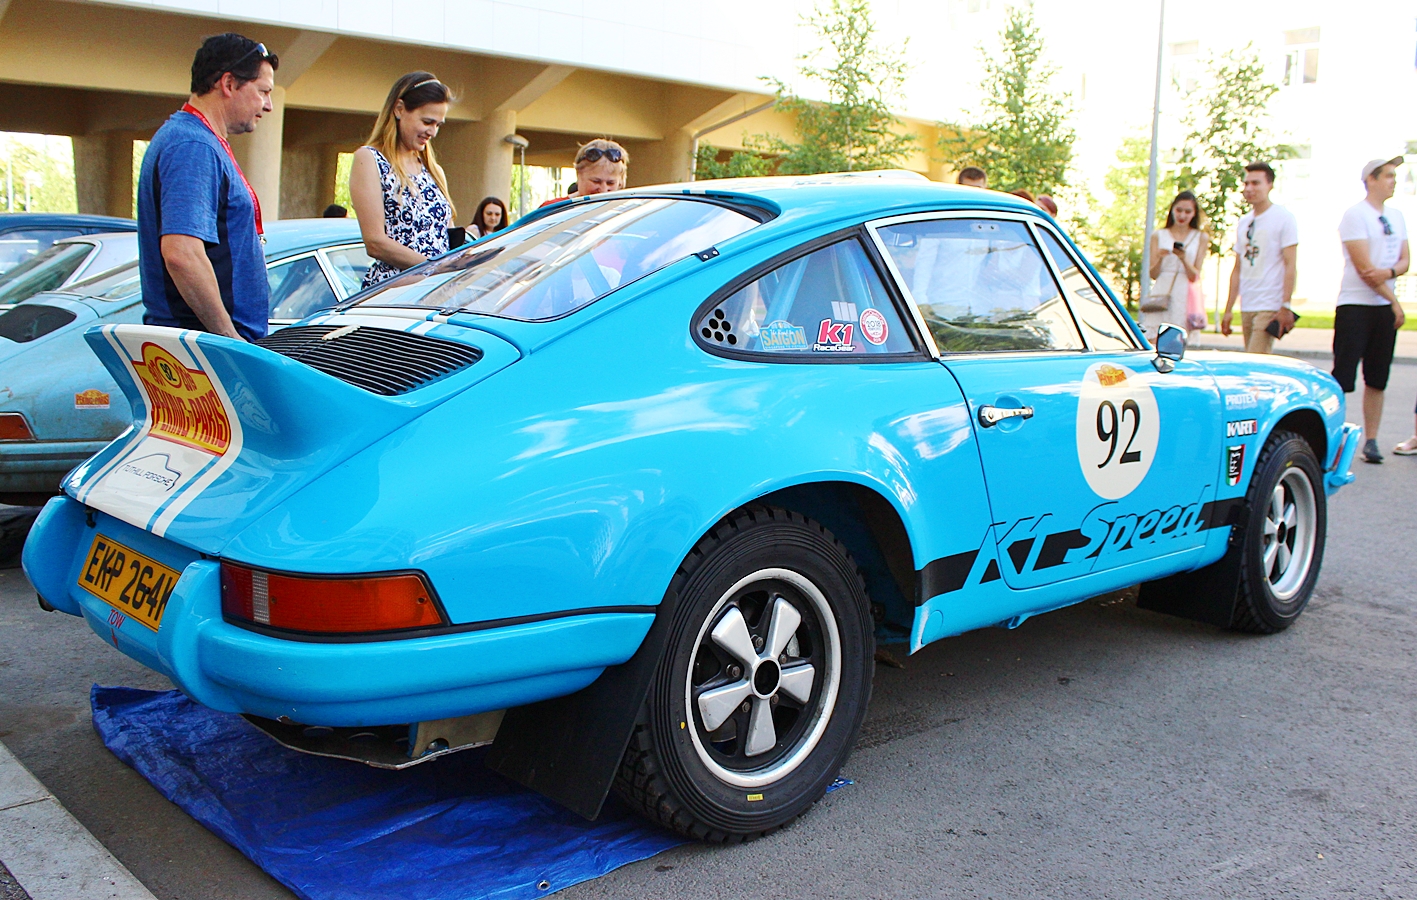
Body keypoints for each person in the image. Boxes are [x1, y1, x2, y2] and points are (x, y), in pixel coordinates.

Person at [138, 33, 278, 341]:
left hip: (201, 345)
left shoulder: (192, 139)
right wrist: (230, 338)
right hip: (204, 348)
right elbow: (182, 253)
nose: (268, 105)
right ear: (228, 84)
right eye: (263, 91)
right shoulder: (193, 146)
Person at [1333, 156, 1409, 464]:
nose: (1393, 181)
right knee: (1343, 376)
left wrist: (1389, 275)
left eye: (1394, 176)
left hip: (1382, 307)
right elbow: (1364, 269)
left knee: (1377, 377)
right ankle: (1334, 439)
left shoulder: (1397, 216)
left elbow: (1405, 260)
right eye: (1388, 175)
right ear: (1371, 180)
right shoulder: (1356, 215)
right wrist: (1394, 300)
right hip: (1355, 304)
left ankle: (1372, 440)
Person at [350, 71, 455, 288]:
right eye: (427, 122)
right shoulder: (369, 159)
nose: (433, 132)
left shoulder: (434, 171)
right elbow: (375, 243)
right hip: (395, 295)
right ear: (399, 109)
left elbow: (447, 237)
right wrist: (435, 268)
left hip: (438, 291)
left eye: (438, 125)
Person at [1220, 162, 1299, 353]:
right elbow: (1238, 267)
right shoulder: (1244, 222)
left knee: (1256, 357)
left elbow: (1290, 264)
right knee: (1251, 358)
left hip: (1269, 302)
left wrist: (1285, 304)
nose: (1249, 189)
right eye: (1246, 184)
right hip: (1248, 301)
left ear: (1269, 185)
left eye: (1256, 183)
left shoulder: (1283, 218)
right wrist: (1228, 309)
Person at [1141, 191, 1208, 344]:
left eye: (1188, 211)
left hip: (1184, 292)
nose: (1182, 215)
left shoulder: (1200, 237)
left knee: (1180, 339)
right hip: (1163, 288)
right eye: (1179, 210)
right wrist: (1160, 257)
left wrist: (1183, 258)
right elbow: (1153, 274)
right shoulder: (1158, 235)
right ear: (1172, 210)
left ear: (1194, 214)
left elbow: (1195, 276)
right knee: (1154, 337)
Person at [539, 140, 629, 207]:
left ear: (621, 182)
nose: (603, 189)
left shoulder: (627, 213)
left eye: (610, 183)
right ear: (579, 175)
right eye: (596, 181)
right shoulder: (551, 209)